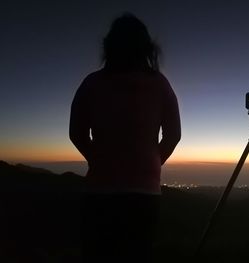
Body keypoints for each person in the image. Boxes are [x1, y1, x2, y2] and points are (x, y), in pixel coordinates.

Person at [69, 13, 181, 262]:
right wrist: (150, 163)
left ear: (109, 45)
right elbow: (173, 135)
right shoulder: (160, 84)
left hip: (99, 191)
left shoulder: (92, 83)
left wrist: (97, 159)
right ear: (146, 47)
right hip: (144, 195)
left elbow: (76, 133)